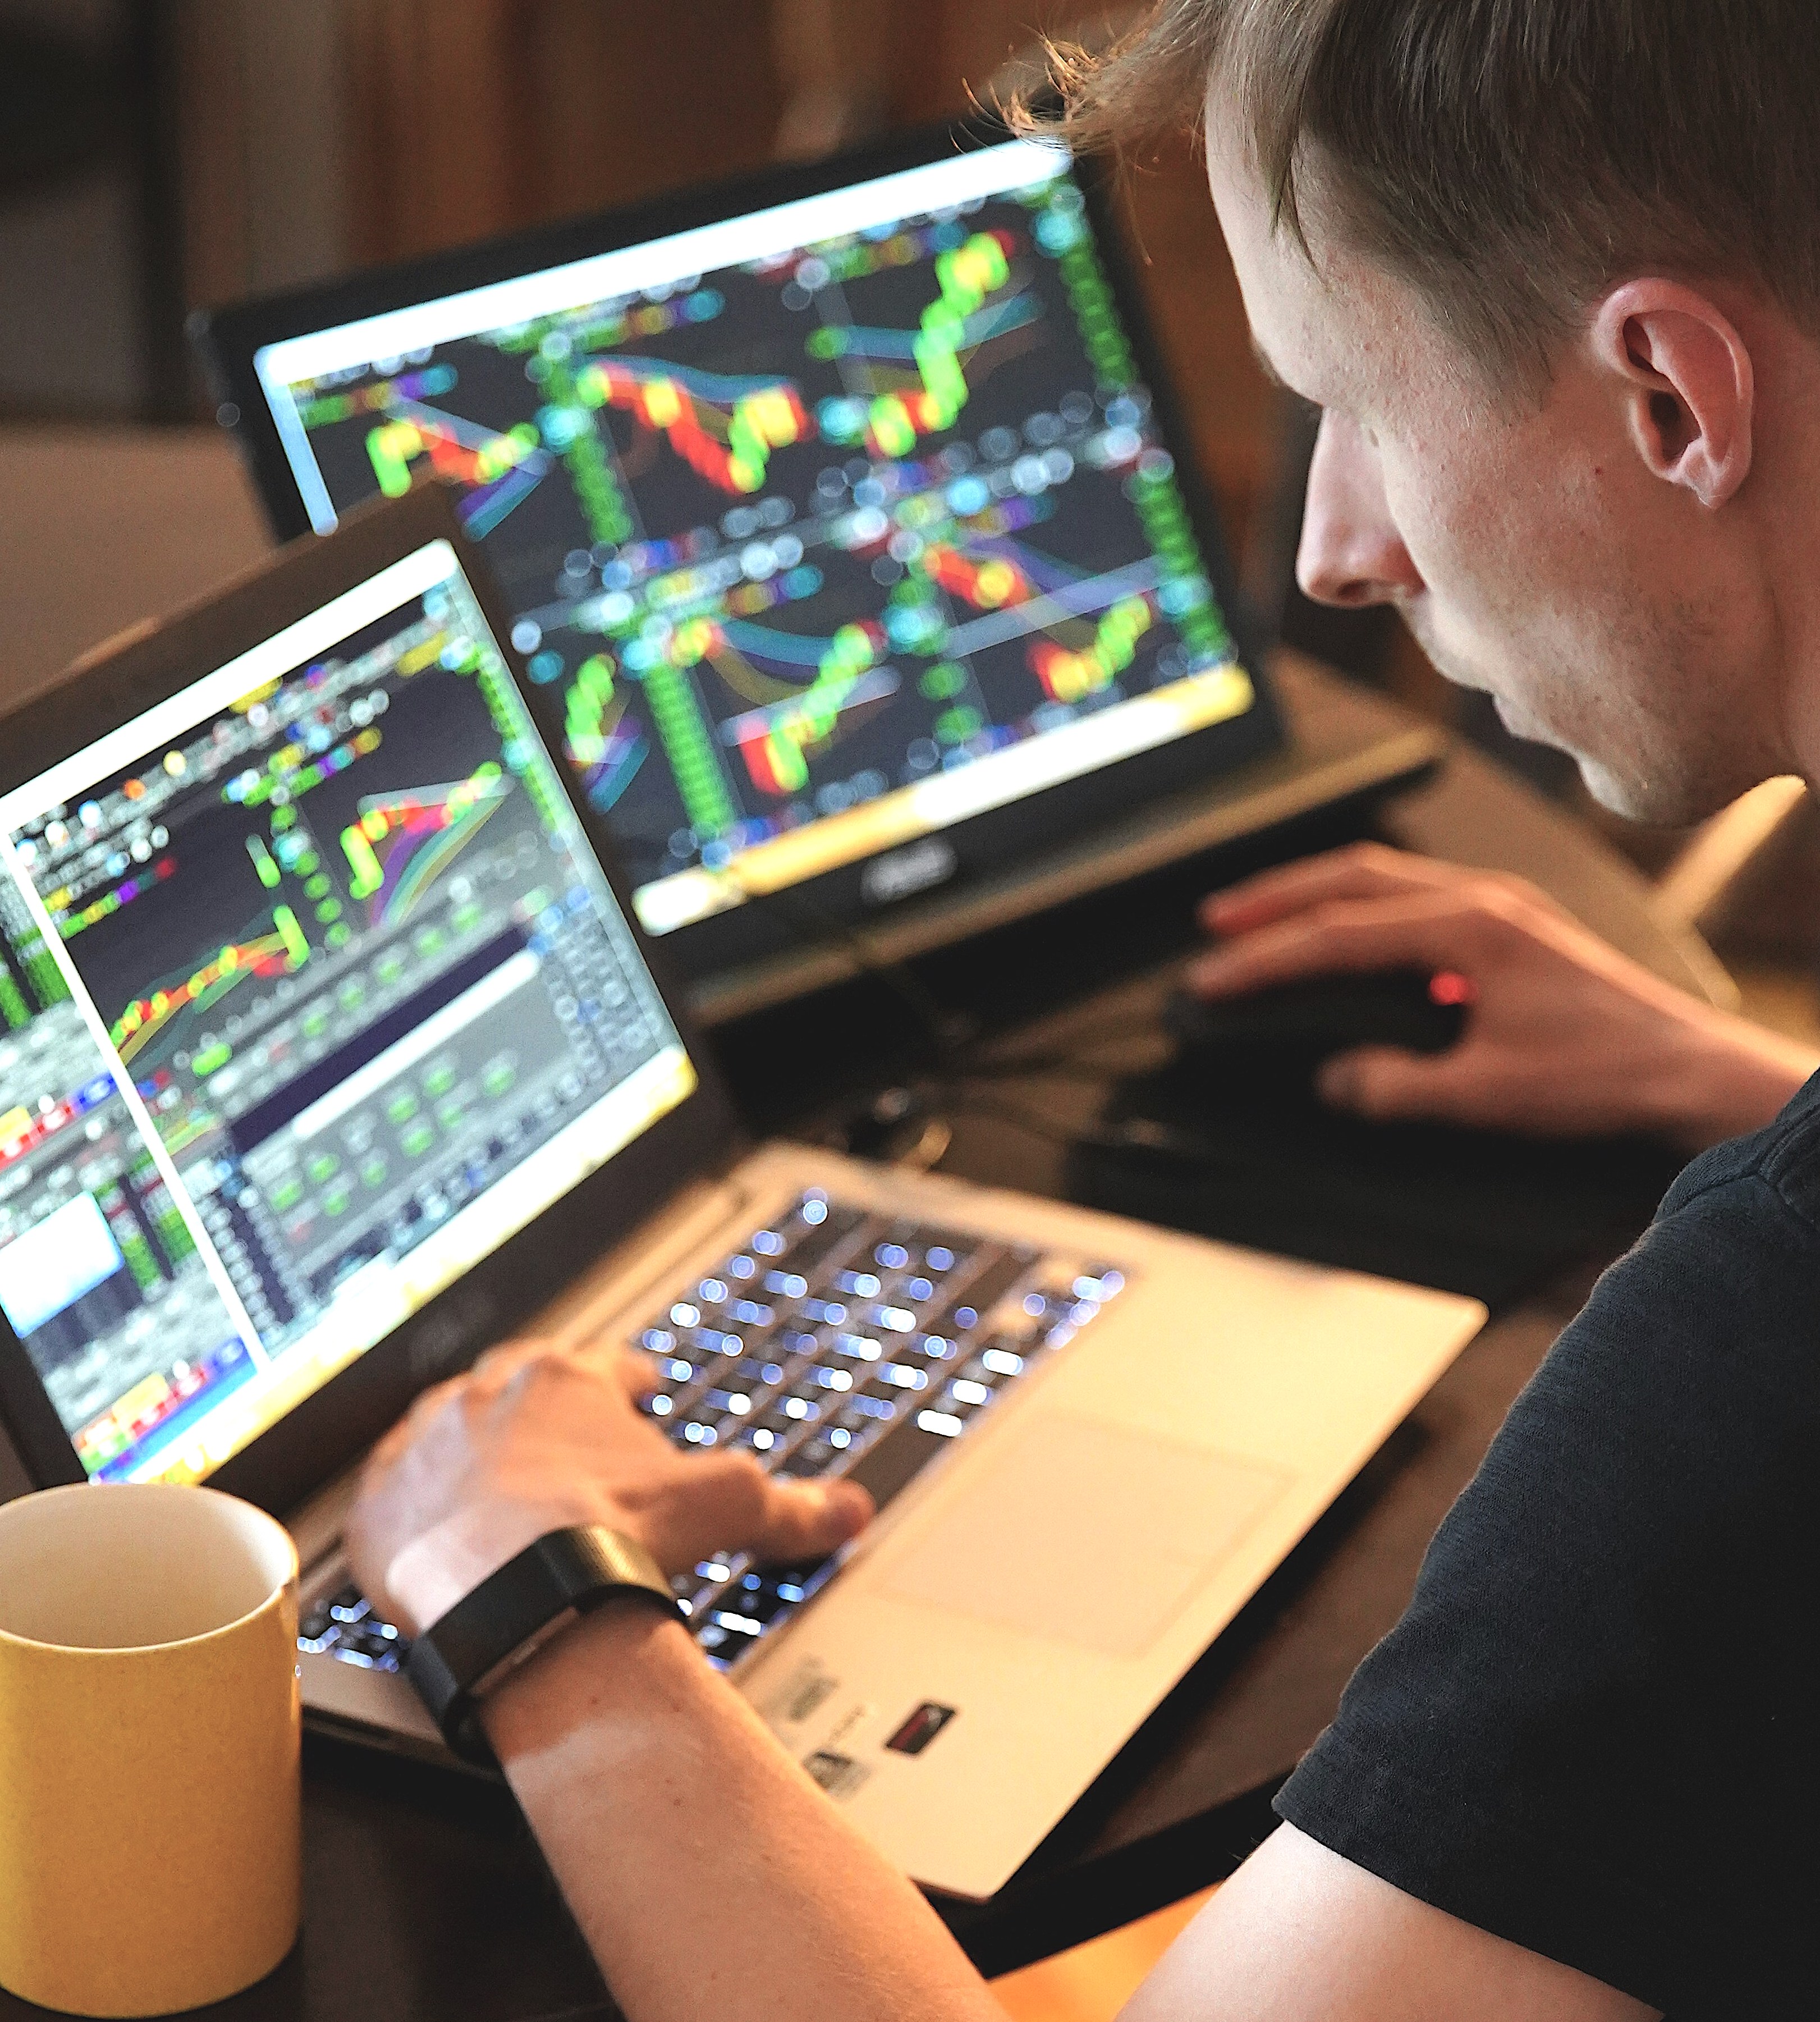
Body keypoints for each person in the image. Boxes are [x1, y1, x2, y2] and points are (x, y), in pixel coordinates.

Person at [346, 4, 1820, 2015]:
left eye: (1351, 402)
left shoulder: (1745, 1378)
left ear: (1668, 392)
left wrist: (540, 1614)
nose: (1329, 553)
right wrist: (1742, 1079)